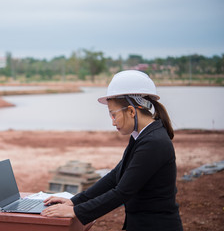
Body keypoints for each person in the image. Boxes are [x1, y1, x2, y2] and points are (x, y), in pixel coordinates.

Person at [41, 70, 183, 231]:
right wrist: (75, 201)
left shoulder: (154, 142)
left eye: (113, 114)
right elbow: (116, 176)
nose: (113, 122)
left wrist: (75, 211)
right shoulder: (142, 136)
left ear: (131, 111)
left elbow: (122, 192)